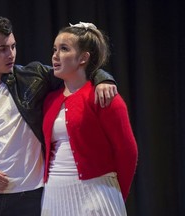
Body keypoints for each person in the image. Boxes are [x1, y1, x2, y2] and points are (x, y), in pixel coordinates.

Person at [0, 15, 118, 216]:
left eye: (13, 46)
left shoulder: (34, 76)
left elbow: (75, 70)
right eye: (2, 49)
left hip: (31, 198)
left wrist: (104, 79)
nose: (11, 54)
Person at [41, 22, 138, 216]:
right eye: (54, 49)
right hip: (54, 193)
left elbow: (128, 152)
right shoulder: (50, 99)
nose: (55, 55)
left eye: (64, 49)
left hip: (97, 193)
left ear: (83, 58)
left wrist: (115, 193)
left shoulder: (104, 97)